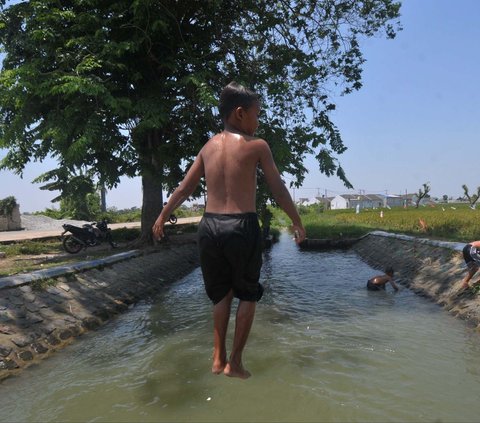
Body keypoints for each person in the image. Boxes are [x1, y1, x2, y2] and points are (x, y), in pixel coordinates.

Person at [152, 81, 306, 379]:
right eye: (256, 114)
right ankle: (234, 363)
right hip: (241, 225)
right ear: (239, 114)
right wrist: (296, 220)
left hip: (208, 228)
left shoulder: (208, 146)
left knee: (221, 294)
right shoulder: (257, 146)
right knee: (248, 294)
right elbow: (278, 188)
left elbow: (184, 189)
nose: (258, 121)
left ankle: (217, 357)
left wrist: (162, 216)